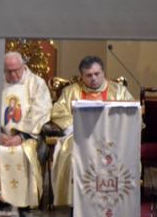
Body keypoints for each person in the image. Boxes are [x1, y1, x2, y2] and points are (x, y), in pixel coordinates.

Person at [50, 55, 133, 206]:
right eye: (88, 75)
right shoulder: (70, 91)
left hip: (111, 136)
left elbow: (131, 113)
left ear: (103, 72)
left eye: (97, 74)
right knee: (72, 156)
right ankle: (75, 202)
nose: (93, 78)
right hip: (79, 135)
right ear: (81, 76)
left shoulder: (119, 91)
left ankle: (115, 200)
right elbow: (58, 112)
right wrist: (76, 126)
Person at [0, 51, 52, 208]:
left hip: (28, 137)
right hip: (0, 136)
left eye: (16, 70)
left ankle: (25, 201)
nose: (13, 74)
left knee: (24, 152)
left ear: (24, 66)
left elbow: (40, 111)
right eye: (8, 71)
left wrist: (21, 136)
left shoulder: (36, 83)